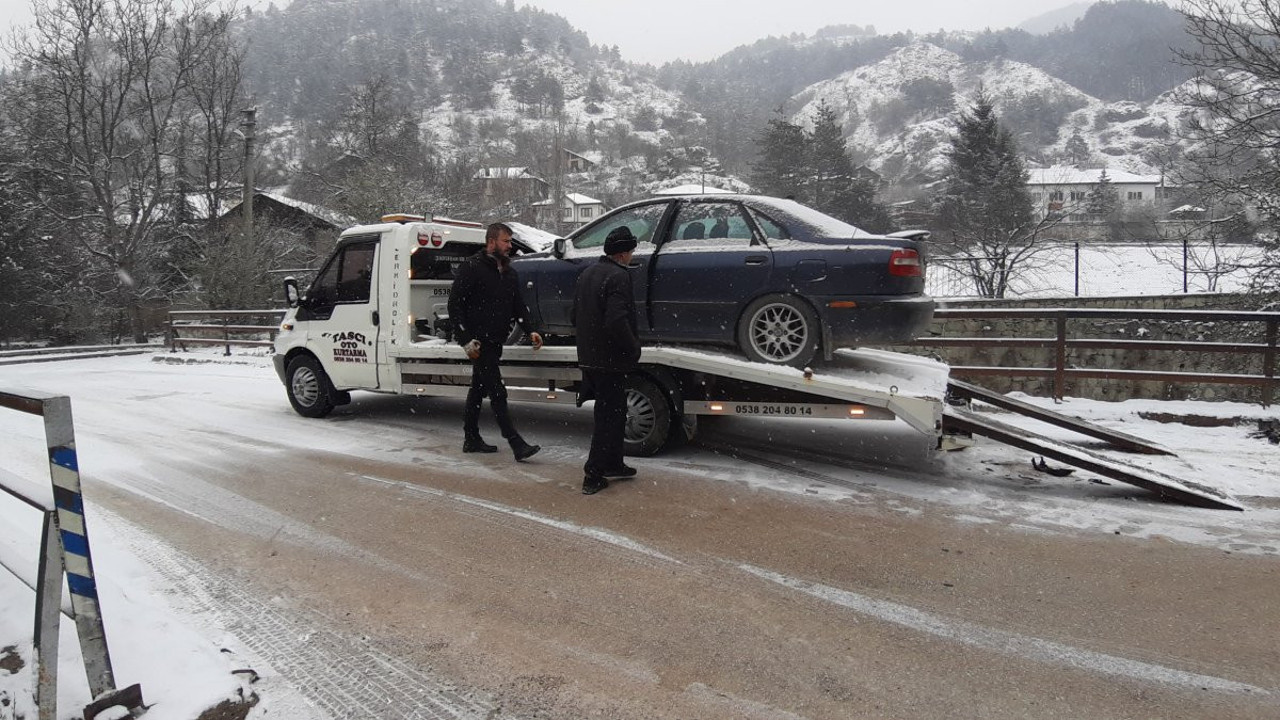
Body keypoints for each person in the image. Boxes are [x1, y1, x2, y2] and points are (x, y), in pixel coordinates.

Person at [448, 222, 543, 461]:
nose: (510, 246)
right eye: (506, 241)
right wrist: (466, 339)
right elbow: (455, 305)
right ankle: (515, 442)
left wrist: (530, 330)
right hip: (478, 344)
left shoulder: (510, 273)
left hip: (496, 341)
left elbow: (518, 305)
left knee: (478, 390)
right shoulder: (472, 267)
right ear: (491, 242)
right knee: (497, 392)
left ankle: (471, 438)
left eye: (511, 241)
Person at [572, 226, 642, 495]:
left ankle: (614, 463)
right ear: (623, 253)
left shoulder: (588, 273)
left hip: (589, 357)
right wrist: (632, 347)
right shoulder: (619, 276)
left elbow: (574, 316)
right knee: (608, 417)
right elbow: (616, 319)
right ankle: (593, 474)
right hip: (610, 359)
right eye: (631, 251)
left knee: (614, 412)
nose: (632, 255)